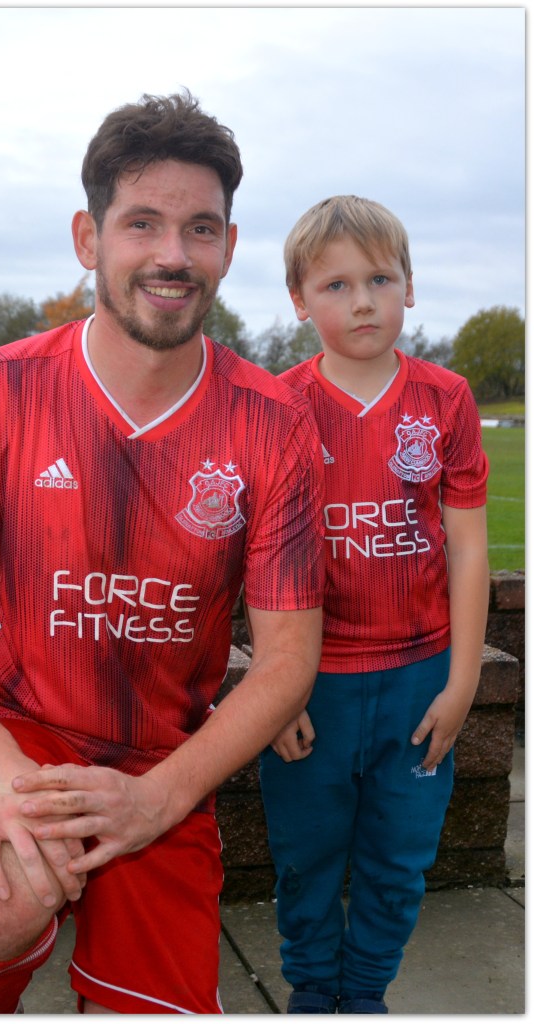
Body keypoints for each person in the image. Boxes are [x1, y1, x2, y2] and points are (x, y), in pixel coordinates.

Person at [0, 90, 326, 1015]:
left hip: (164, 760)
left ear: (229, 247)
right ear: (89, 238)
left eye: (200, 229)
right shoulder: (0, 388)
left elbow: (288, 660)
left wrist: (158, 801)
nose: (173, 255)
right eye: (143, 224)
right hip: (22, 730)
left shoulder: (274, 423)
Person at [259, 195, 489, 1014]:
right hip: (310, 679)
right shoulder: (275, 405)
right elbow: (255, 560)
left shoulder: (446, 399)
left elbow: (467, 548)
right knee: (305, 859)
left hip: (418, 679)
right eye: (336, 285)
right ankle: (312, 994)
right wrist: (271, 689)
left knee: (400, 860)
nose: (362, 301)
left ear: (410, 288)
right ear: (299, 301)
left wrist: (462, 683)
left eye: (380, 280)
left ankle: (364, 998)